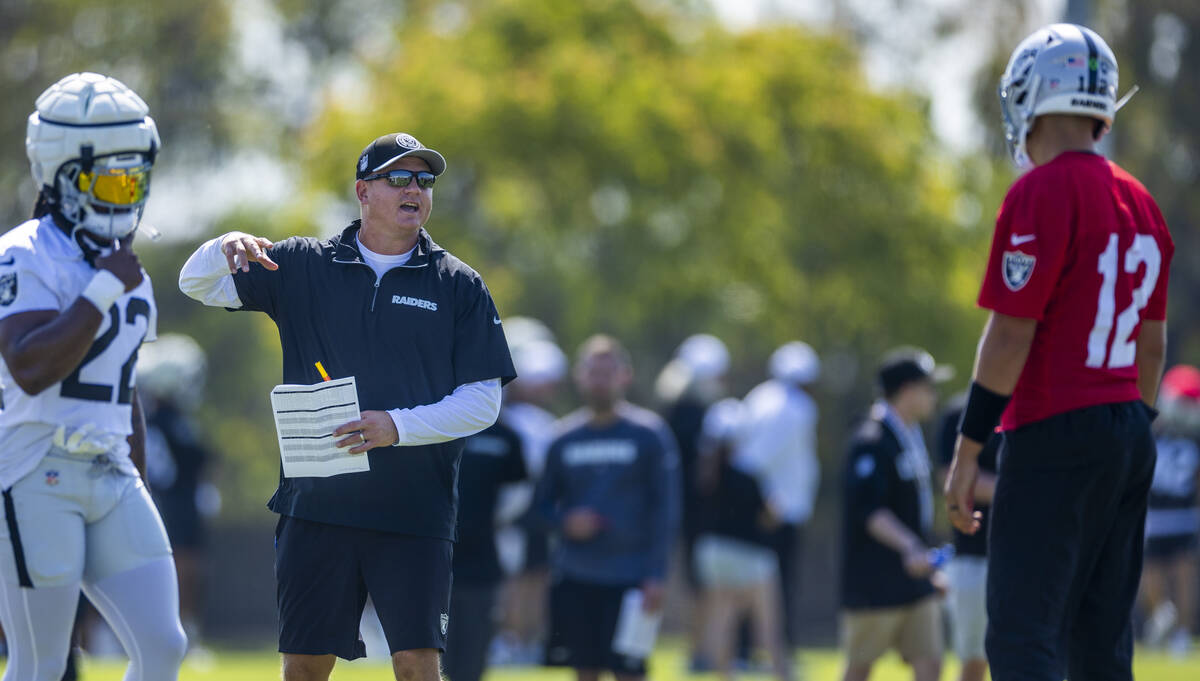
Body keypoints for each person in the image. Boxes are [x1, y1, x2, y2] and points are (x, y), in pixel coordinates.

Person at [178, 131, 516, 681]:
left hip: (415, 512)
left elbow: (483, 401)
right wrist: (226, 244)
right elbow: (195, 283)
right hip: (316, 506)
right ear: (363, 191)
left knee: (417, 668)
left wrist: (395, 427)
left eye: (425, 180)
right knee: (304, 669)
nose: (416, 190)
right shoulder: (303, 264)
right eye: (399, 178)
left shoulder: (459, 284)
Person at [944, 24, 1175, 681]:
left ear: (1032, 95)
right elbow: (1150, 345)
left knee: (1022, 637)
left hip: (1053, 428)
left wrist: (967, 451)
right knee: (1100, 642)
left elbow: (1011, 332)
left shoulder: (1039, 192)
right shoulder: (1143, 202)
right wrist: (1130, 431)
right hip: (1129, 425)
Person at [0, 72, 187, 681]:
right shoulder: (24, 252)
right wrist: (103, 287)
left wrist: (137, 475)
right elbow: (29, 366)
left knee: (162, 646)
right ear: (66, 173)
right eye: (114, 175)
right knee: (42, 662)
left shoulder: (125, 265)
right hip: (34, 471)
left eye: (137, 176)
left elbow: (123, 388)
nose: (129, 191)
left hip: (110, 473)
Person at [533, 335, 680, 681]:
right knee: (585, 672)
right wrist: (564, 522)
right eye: (593, 372)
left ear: (624, 376)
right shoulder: (562, 438)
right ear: (579, 376)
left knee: (630, 672)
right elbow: (537, 508)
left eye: (607, 372)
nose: (600, 380)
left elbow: (667, 509)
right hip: (577, 576)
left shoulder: (649, 435)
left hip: (631, 579)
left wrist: (656, 575)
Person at [840, 348, 947, 681]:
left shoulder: (909, 435)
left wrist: (926, 564)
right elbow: (868, 509)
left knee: (930, 665)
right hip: (875, 580)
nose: (933, 395)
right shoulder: (871, 439)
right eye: (928, 387)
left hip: (914, 580)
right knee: (859, 670)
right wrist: (909, 547)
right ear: (907, 390)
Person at [693, 398, 792, 681]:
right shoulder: (748, 475)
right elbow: (769, 516)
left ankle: (725, 676)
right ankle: (780, 674)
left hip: (711, 554)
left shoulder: (703, 473)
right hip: (750, 556)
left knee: (723, 623)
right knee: (768, 624)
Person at [735, 341, 821, 650]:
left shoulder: (758, 397)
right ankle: (772, 647)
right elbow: (757, 458)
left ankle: (755, 646)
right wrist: (766, 500)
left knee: (755, 579)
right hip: (779, 509)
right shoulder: (794, 407)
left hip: (767, 506)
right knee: (776, 583)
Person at [137, 333, 218, 653]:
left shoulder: (152, 417)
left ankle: (175, 632)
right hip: (175, 503)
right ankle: (183, 632)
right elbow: (200, 458)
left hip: (160, 500)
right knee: (185, 568)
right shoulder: (169, 420)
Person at [653, 333, 730, 669]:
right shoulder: (699, 415)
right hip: (700, 511)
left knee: (692, 581)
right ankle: (702, 649)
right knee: (701, 583)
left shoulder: (671, 410)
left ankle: (700, 648)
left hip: (679, 507)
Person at [443, 413, 528, 681]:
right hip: (435, 556)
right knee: (435, 650)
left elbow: (519, 490)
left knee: (474, 649)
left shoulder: (505, 436)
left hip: (483, 558)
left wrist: (491, 520)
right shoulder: (437, 425)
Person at [934, 394, 998, 681]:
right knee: (974, 660)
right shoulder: (963, 410)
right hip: (976, 555)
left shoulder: (1041, 403)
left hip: (1034, 557)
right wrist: (1021, 491)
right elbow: (952, 476)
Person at [1140, 365, 1200, 655]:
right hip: (1156, 516)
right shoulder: (1152, 429)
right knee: (1150, 576)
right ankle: (1163, 617)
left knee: (1183, 574)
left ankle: (1182, 634)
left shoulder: (1193, 437)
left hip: (1183, 515)